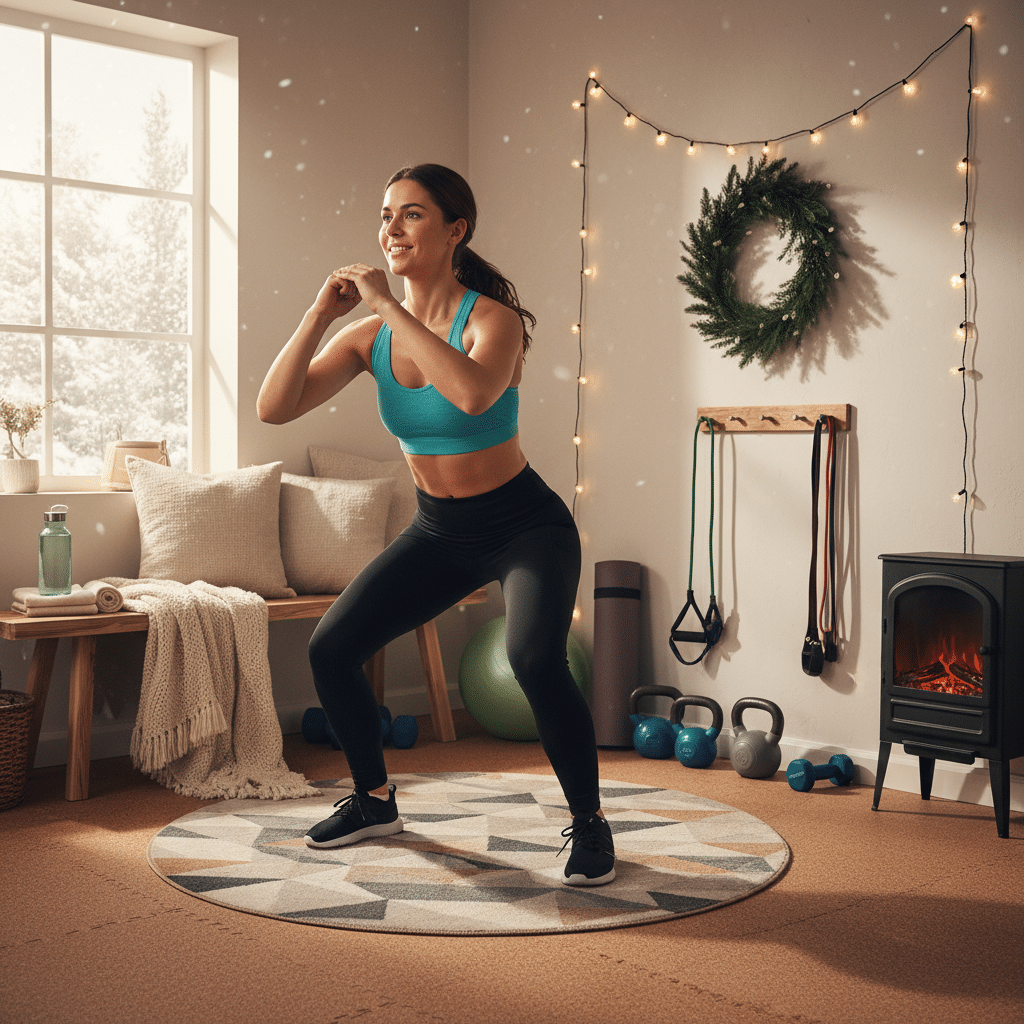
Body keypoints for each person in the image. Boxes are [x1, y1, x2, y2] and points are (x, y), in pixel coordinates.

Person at [257, 164, 614, 886]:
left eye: (411, 215)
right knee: (332, 649)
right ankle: (374, 801)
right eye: (386, 214)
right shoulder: (367, 338)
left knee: (535, 660)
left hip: (525, 527)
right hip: (439, 531)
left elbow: (475, 396)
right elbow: (275, 406)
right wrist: (318, 318)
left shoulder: (492, 320)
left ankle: (590, 823)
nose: (391, 228)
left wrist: (388, 306)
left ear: (456, 230)